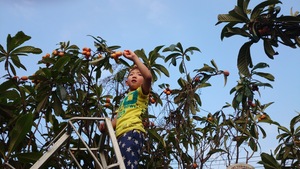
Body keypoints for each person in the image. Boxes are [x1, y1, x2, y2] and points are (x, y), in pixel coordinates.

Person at [99, 49, 152, 169]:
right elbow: (116, 121)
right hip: (120, 136)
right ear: (126, 82)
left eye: (139, 75)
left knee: (129, 165)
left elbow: (148, 77)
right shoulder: (123, 101)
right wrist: (105, 128)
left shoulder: (141, 94)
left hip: (132, 131)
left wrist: (134, 58)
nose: (134, 76)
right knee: (122, 165)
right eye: (131, 74)